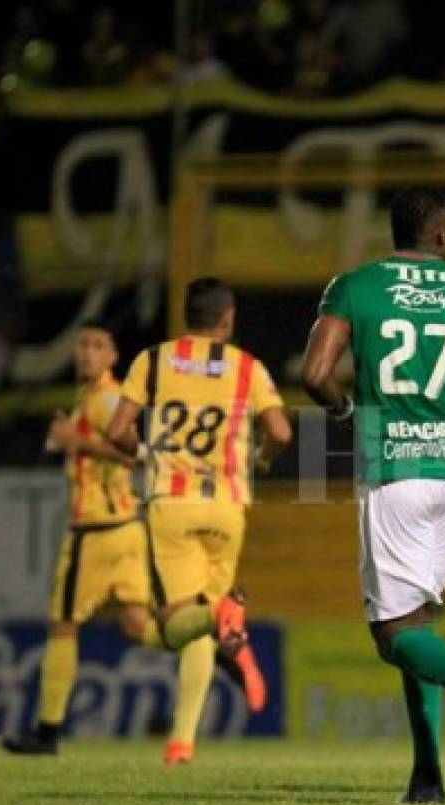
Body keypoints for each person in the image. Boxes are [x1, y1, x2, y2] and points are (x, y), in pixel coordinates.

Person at [301, 187, 445, 804]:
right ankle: (426, 775)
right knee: (420, 623)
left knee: (393, 635)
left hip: (393, 464)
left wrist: (348, 411)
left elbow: (314, 373)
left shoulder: (354, 286)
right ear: (441, 236)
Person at [1, 319, 215, 764]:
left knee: (63, 624)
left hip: (94, 533)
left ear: (114, 357)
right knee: (137, 626)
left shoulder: (106, 400)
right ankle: (206, 631)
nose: (87, 353)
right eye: (82, 345)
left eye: (99, 346)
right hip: (126, 531)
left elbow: (135, 452)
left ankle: (47, 731)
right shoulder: (91, 398)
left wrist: (73, 439)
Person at [105, 277, 293, 763]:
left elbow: (117, 430)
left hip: (172, 503)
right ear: (227, 319)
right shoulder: (246, 367)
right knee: (196, 625)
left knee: (179, 622)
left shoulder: (153, 361)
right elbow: (280, 431)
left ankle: (218, 615)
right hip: (228, 506)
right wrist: (262, 456)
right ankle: (182, 741)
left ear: (186, 316)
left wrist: (140, 452)